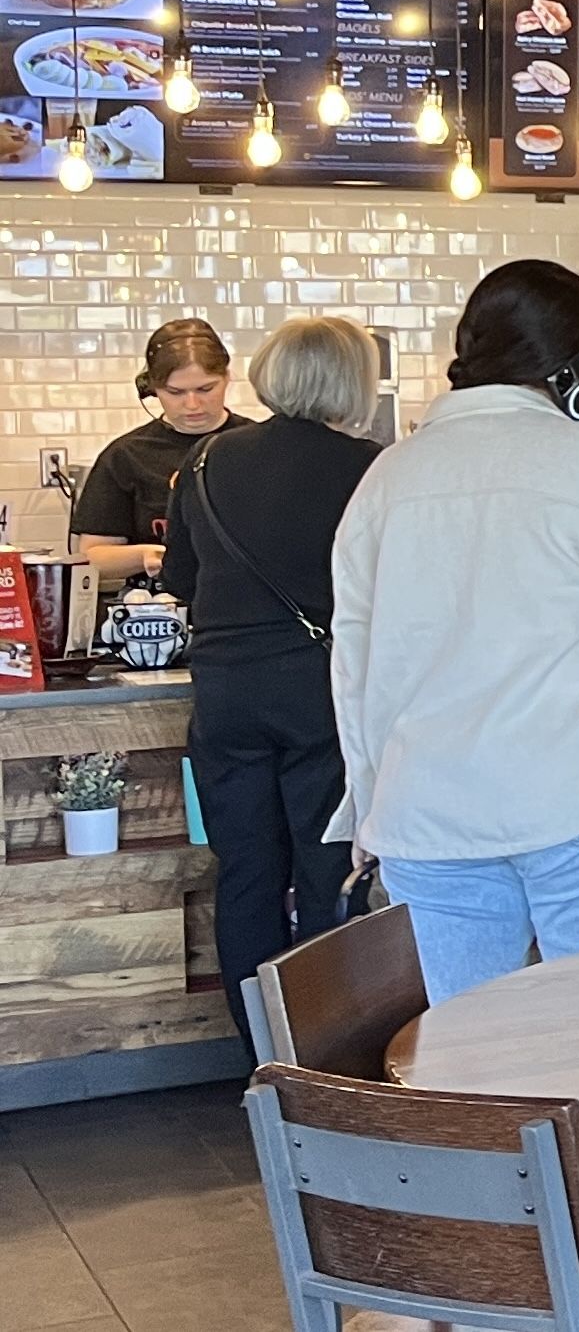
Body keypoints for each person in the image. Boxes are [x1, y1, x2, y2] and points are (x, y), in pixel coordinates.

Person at [331, 259, 579, 1124]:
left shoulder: (389, 475)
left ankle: (502, 1256)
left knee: (462, 1059)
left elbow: (354, 660)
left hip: (427, 808)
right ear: (573, 364)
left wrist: (367, 804)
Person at [159, 315, 380, 1048]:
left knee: (245, 868)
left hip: (223, 691)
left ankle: (258, 1048)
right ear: (349, 380)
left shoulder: (202, 463)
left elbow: (181, 580)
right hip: (318, 690)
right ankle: (320, 1044)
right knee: (324, 867)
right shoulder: (370, 466)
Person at [74, 318, 247, 585]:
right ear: (152, 390)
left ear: (227, 378)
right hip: (155, 611)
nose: (192, 404)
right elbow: (92, 557)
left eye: (206, 389)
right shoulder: (126, 455)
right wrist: (148, 555)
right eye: (175, 392)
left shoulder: (259, 445)